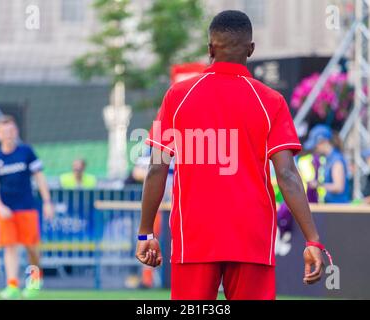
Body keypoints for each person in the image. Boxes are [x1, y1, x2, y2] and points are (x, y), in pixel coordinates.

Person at [135, 10, 325, 300]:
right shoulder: (271, 101)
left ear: (210, 49)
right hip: (252, 237)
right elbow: (287, 174)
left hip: (194, 236)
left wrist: (146, 233)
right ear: (251, 49)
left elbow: (157, 169)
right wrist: (313, 240)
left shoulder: (178, 95)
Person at [0, 115, 54, 299]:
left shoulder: (26, 152)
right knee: (9, 247)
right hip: (6, 210)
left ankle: (33, 282)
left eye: (11, 131)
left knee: (31, 247)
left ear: (16, 132)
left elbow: (40, 178)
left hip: (27, 207)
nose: (8, 135)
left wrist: (47, 202)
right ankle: (12, 285)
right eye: (4, 132)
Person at [304, 124, 350, 203]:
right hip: (331, 207)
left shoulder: (336, 160)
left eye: (315, 147)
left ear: (323, 142)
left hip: (339, 209)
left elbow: (339, 187)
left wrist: (317, 185)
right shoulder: (327, 159)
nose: (315, 151)